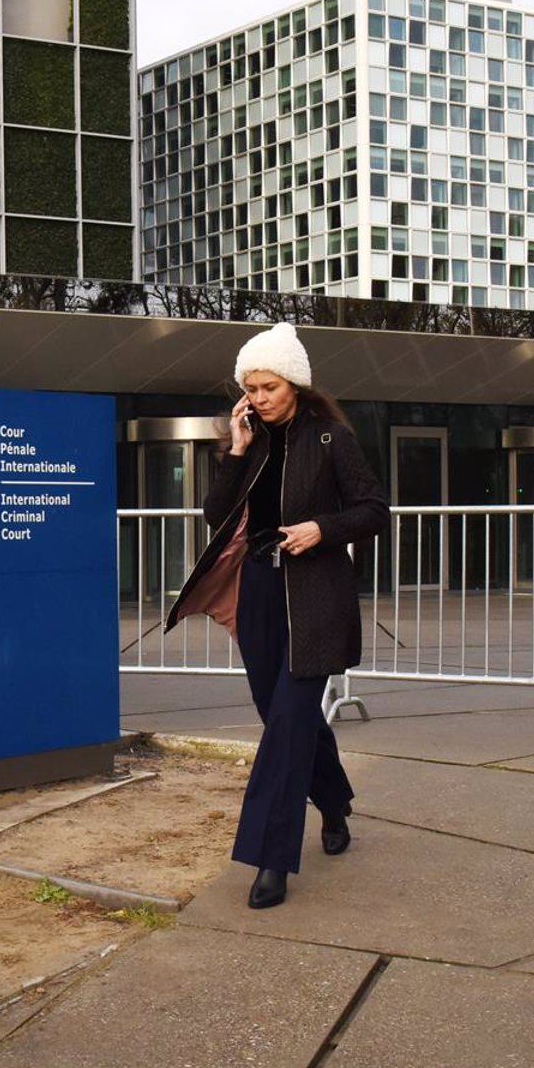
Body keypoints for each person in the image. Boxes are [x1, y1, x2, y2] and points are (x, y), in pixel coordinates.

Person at [166, 322, 389, 910]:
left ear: (295, 384)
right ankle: (334, 801)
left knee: (289, 721)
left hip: (315, 595)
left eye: (269, 387)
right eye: (251, 389)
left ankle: (271, 859)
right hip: (260, 590)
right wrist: (237, 451)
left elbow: (374, 509)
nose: (260, 398)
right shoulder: (252, 441)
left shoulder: (331, 438)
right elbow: (217, 516)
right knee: (284, 716)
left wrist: (322, 528)